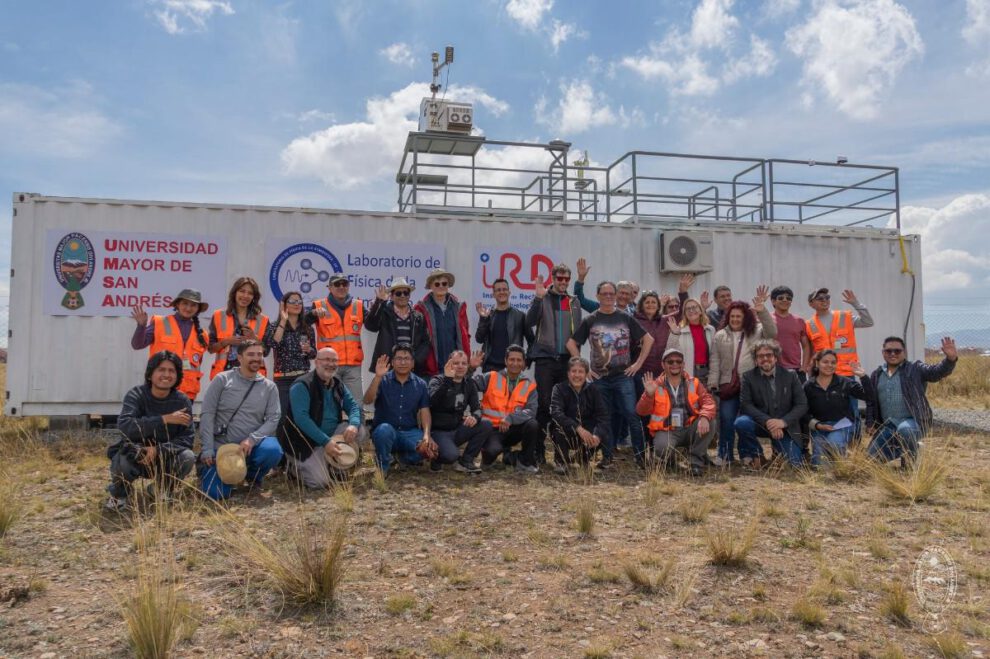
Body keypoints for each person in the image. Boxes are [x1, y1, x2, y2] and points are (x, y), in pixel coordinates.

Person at [567, 281, 653, 469]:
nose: (608, 296)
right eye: (604, 293)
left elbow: (648, 339)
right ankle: (607, 458)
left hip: (623, 376)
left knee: (632, 415)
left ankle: (640, 458)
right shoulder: (591, 319)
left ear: (615, 296)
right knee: (603, 418)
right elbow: (571, 344)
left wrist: (637, 364)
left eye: (610, 293)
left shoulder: (625, 317)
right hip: (600, 378)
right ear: (598, 296)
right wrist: (585, 368)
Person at [104, 351, 197, 511]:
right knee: (122, 459)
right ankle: (120, 494)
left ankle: (160, 489)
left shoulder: (182, 400)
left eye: (171, 371)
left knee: (187, 457)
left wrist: (158, 450)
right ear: (150, 373)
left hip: (164, 456)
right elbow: (125, 425)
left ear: (177, 375)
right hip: (137, 454)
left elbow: (187, 438)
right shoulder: (136, 395)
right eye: (161, 370)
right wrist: (164, 419)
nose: (166, 374)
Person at [198, 339, 283, 500]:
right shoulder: (222, 379)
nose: (256, 358)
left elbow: (274, 418)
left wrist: (252, 440)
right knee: (215, 494)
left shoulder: (269, 386)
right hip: (222, 448)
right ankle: (211, 472)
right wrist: (208, 449)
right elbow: (207, 414)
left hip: (250, 447)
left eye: (259, 354)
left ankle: (252, 477)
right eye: (250, 354)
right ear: (239, 358)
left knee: (273, 450)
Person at [708, 287, 777, 467]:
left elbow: (772, 333)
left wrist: (762, 310)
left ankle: (748, 455)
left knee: (745, 421)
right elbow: (715, 360)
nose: (736, 319)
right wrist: (713, 383)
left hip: (751, 384)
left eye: (739, 316)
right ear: (728, 317)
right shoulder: (720, 335)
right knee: (727, 419)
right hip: (727, 385)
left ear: (745, 316)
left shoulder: (756, 331)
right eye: (732, 316)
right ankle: (725, 455)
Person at [277, 348, 362, 488]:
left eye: (334, 360)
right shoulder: (302, 385)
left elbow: (353, 406)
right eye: (326, 359)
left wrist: (353, 424)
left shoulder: (337, 383)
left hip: (330, 438)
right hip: (305, 444)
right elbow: (301, 419)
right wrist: (325, 441)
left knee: (360, 431)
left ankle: (333, 465)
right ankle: (294, 467)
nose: (331, 364)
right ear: (316, 362)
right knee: (319, 482)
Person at [866, 336, 957, 464]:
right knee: (870, 461)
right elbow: (871, 402)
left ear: (904, 352)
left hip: (914, 422)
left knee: (905, 430)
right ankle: (910, 447)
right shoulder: (877, 374)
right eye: (888, 351)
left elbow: (936, 372)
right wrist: (870, 422)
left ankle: (910, 461)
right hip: (889, 425)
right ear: (883, 353)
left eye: (897, 351)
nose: (893, 354)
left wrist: (950, 360)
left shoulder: (915, 368)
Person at [636, 348, 716, 477]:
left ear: (683, 364)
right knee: (662, 448)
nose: (675, 365)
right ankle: (670, 462)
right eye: (670, 362)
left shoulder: (693, 382)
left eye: (679, 361)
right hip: (667, 430)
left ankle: (695, 463)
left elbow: (708, 401)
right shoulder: (655, 385)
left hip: (690, 427)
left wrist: (704, 417)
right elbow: (641, 411)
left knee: (710, 422)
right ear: (663, 365)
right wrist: (648, 395)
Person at [526, 262, 583, 438]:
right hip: (545, 360)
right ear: (553, 278)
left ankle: (559, 446)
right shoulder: (543, 297)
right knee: (544, 403)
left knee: (564, 404)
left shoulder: (574, 301)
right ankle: (539, 448)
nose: (563, 282)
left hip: (567, 361)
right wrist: (537, 298)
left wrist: (577, 357)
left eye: (567, 279)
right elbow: (529, 322)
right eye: (560, 278)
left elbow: (578, 332)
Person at [734, 340, 809, 468]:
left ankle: (777, 452)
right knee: (741, 422)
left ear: (775, 357)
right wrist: (769, 422)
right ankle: (758, 456)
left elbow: (802, 405)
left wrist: (783, 422)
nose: (765, 359)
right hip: (760, 423)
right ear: (756, 359)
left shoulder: (790, 376)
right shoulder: (748, 377)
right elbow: (746, 404)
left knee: (795, 464)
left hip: (785, 427)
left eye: (768, 355)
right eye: (760, 356)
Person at [364, 344, 434, 475]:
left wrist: (426, 435)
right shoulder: (382, 380)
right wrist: (377, 377)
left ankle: (399, 458)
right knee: (384, 431)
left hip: (409, 431)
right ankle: (383, 465)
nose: (403, 362)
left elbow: (425, 411)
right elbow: (367, 400)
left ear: (413, 363)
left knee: (429, 450)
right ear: (392, 362)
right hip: (386, 431)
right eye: (399, 358)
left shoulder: (421, 384)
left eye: (407, 359)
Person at [306, 273, 372, 412]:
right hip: (329, 365)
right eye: (337, 284)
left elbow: (373, 324)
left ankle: (358, 431)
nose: (341, 287)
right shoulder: (319, 305)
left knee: (356, 405)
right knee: (329, 405)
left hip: (352, 366)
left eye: (344, 284)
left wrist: (378, 303)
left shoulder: (358, 305)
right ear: (329, 287)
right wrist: (312, 314)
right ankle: (328, 433)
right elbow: (303, 323)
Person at [130, 289, 210, 401]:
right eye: (185, 303)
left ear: (198, 309)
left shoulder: (203, 335)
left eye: (193, 305)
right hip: (159, 389)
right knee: (158, 419)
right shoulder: (160, 323)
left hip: (186, 394)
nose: (188, 308)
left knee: (181, 419)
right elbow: (137, 345)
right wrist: (141, 326)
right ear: (177, 304)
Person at [473, 344, 540, 473]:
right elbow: (468, 386)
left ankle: (521, 460)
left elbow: (531, 411)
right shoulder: (491, 377)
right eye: (512, 359)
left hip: (513, 429)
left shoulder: (529, 384)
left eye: (519, 360)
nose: (515, 363)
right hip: (492, 430)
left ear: (524, 363)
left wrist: (511, 418)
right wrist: (471, 368)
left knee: (532, 424)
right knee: (491, 453)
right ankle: (491, 456)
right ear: (505, 361)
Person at [803, 350, 873, 466]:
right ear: (817, 363)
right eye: (825, 362)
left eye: (833, 362)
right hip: (820, 428)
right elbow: (802, 411)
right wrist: (817, 425)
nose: (829, 365)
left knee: (833, 444)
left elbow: (869, 396)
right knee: (819, 464)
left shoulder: (845, 382)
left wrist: (863, 376)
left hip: (842, 425)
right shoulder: (808, 386)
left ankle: (844, 462)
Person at [428, 350, 492, 474]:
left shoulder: (469, 383)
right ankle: (436, 458)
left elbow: (478, 408)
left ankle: (466, 461)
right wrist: (448, 380)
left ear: (467, 366)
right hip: (439, 432)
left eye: (464, 363)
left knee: (486, 424)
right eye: (456, 363)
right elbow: (432, 401)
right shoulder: (437, 380)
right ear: (449, 365)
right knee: (451, 455)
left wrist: (474, 417)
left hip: (457, 429)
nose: (460, 366)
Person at [549, 357, 608, 474]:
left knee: (604, 433)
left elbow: (603, 416)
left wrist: (597, 435)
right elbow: (556, 413)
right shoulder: (559, 388)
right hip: (568, 430)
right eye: (573, 371)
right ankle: (561, 461)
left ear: (586, 374)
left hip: (587, 431)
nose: (577, 375)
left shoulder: (594, 390)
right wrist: (577, 428)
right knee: (556, 427)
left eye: (580, 372)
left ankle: (582, 459)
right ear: (568, 374)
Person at [265, 290, 317, 416]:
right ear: (284, 305)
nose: (297, 304)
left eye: (299, 301)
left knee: (302, 415)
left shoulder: (307, 328)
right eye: (292, 301)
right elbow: (273, 344)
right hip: (283, 379)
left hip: (303, 377)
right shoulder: (274, 326)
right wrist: (283, 320)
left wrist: (309, 350)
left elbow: (314, 354)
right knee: (283, 416)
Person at [365, 277, 430, 375]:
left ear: (409, 296)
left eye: (406, 293)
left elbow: (426, 342)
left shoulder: (418, 316)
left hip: (411, 369)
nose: (402, 296)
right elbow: (371, 326)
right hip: (388, 367)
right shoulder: (384, 312)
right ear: (391, 296)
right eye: (398, 293)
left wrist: (414, 360)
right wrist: (379, 301)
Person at [209, 277, 271, 379]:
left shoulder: (263, 319)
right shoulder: (218, 315)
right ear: (235, 293)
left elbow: (266, 351)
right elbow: (211, 349)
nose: (245, 296)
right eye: (242, 291)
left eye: (250, 293)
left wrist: (254, 339)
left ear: (254, 297)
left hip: (252, 374)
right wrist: (226, 341)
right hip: (225, 373)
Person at [414, 268, 471, 378]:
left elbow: (466, 335)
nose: (441, 286)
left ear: (448, 285)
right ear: (431, 286)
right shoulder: (420, 309)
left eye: (444, 283)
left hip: (455, 370)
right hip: (430, 371)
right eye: (437, 284)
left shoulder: (459, 308)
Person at [805, 288, 873, 377]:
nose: (824, 300)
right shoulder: (809, 325)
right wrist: (810, 373)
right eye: (820, 298)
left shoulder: (845, 317)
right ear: (811, 304)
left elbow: (868, 322)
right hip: (822, 374)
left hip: (846, 373)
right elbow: (810, 352)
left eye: (827, 297)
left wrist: (856, 304)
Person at [474, 278, 534, 372]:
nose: (502, 292)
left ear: (509, 292)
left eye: (504, 289)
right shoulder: (488, 316)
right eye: (498, 290)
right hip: (491, 368)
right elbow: (479, 339)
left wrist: (527, 360)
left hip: (512, 368)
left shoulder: (520, 316)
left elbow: (532, 341)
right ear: (493, 294)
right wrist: (483, 319)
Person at [666, 296, 715, 385]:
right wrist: (674, 334)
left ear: (701, 311)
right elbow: (669, 352)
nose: (691, 310)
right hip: (689, 374)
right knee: (692, 398)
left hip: (707, 373)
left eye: (694, 307)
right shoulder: (679, 330)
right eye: (687, 309)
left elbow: (715, 355)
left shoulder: (710, 330)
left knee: (707, 398)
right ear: (685, 313)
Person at [770, 286, 813, 380]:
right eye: (781, 298)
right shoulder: (767, 320)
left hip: (796, 369)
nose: (785, 300)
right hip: (772, 369)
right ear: (773, 301)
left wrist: (804, 367)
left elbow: (806, 346)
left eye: (788, 298)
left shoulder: (799, 321)